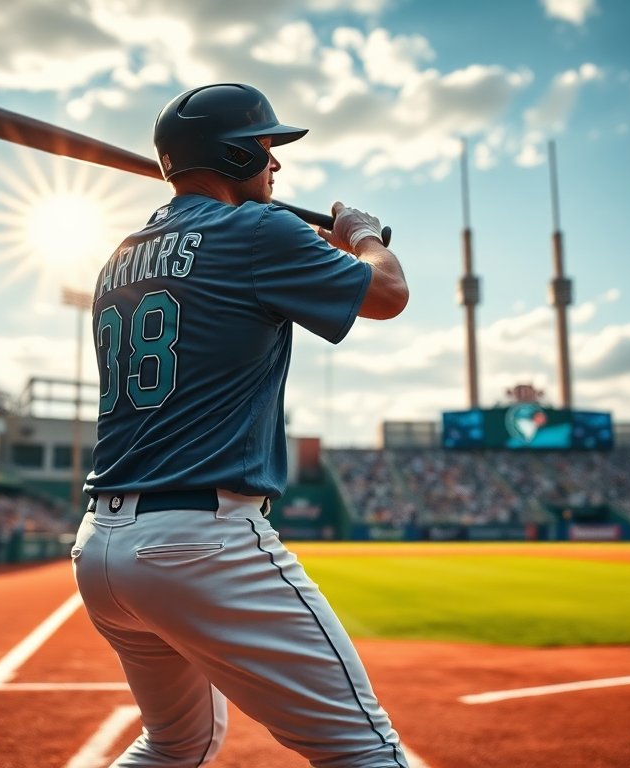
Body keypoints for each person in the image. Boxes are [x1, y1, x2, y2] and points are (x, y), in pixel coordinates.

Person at [72, 83, 410, 767]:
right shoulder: (259, 231)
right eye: (265, 149)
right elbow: (388, 294)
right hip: (202, 539)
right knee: (367, 751)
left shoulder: (119, 257)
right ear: (229, 155)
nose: (275, 166)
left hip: (101, 547)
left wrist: (305, 245)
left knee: (175, 744)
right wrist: (363, 236)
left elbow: (221, 271)